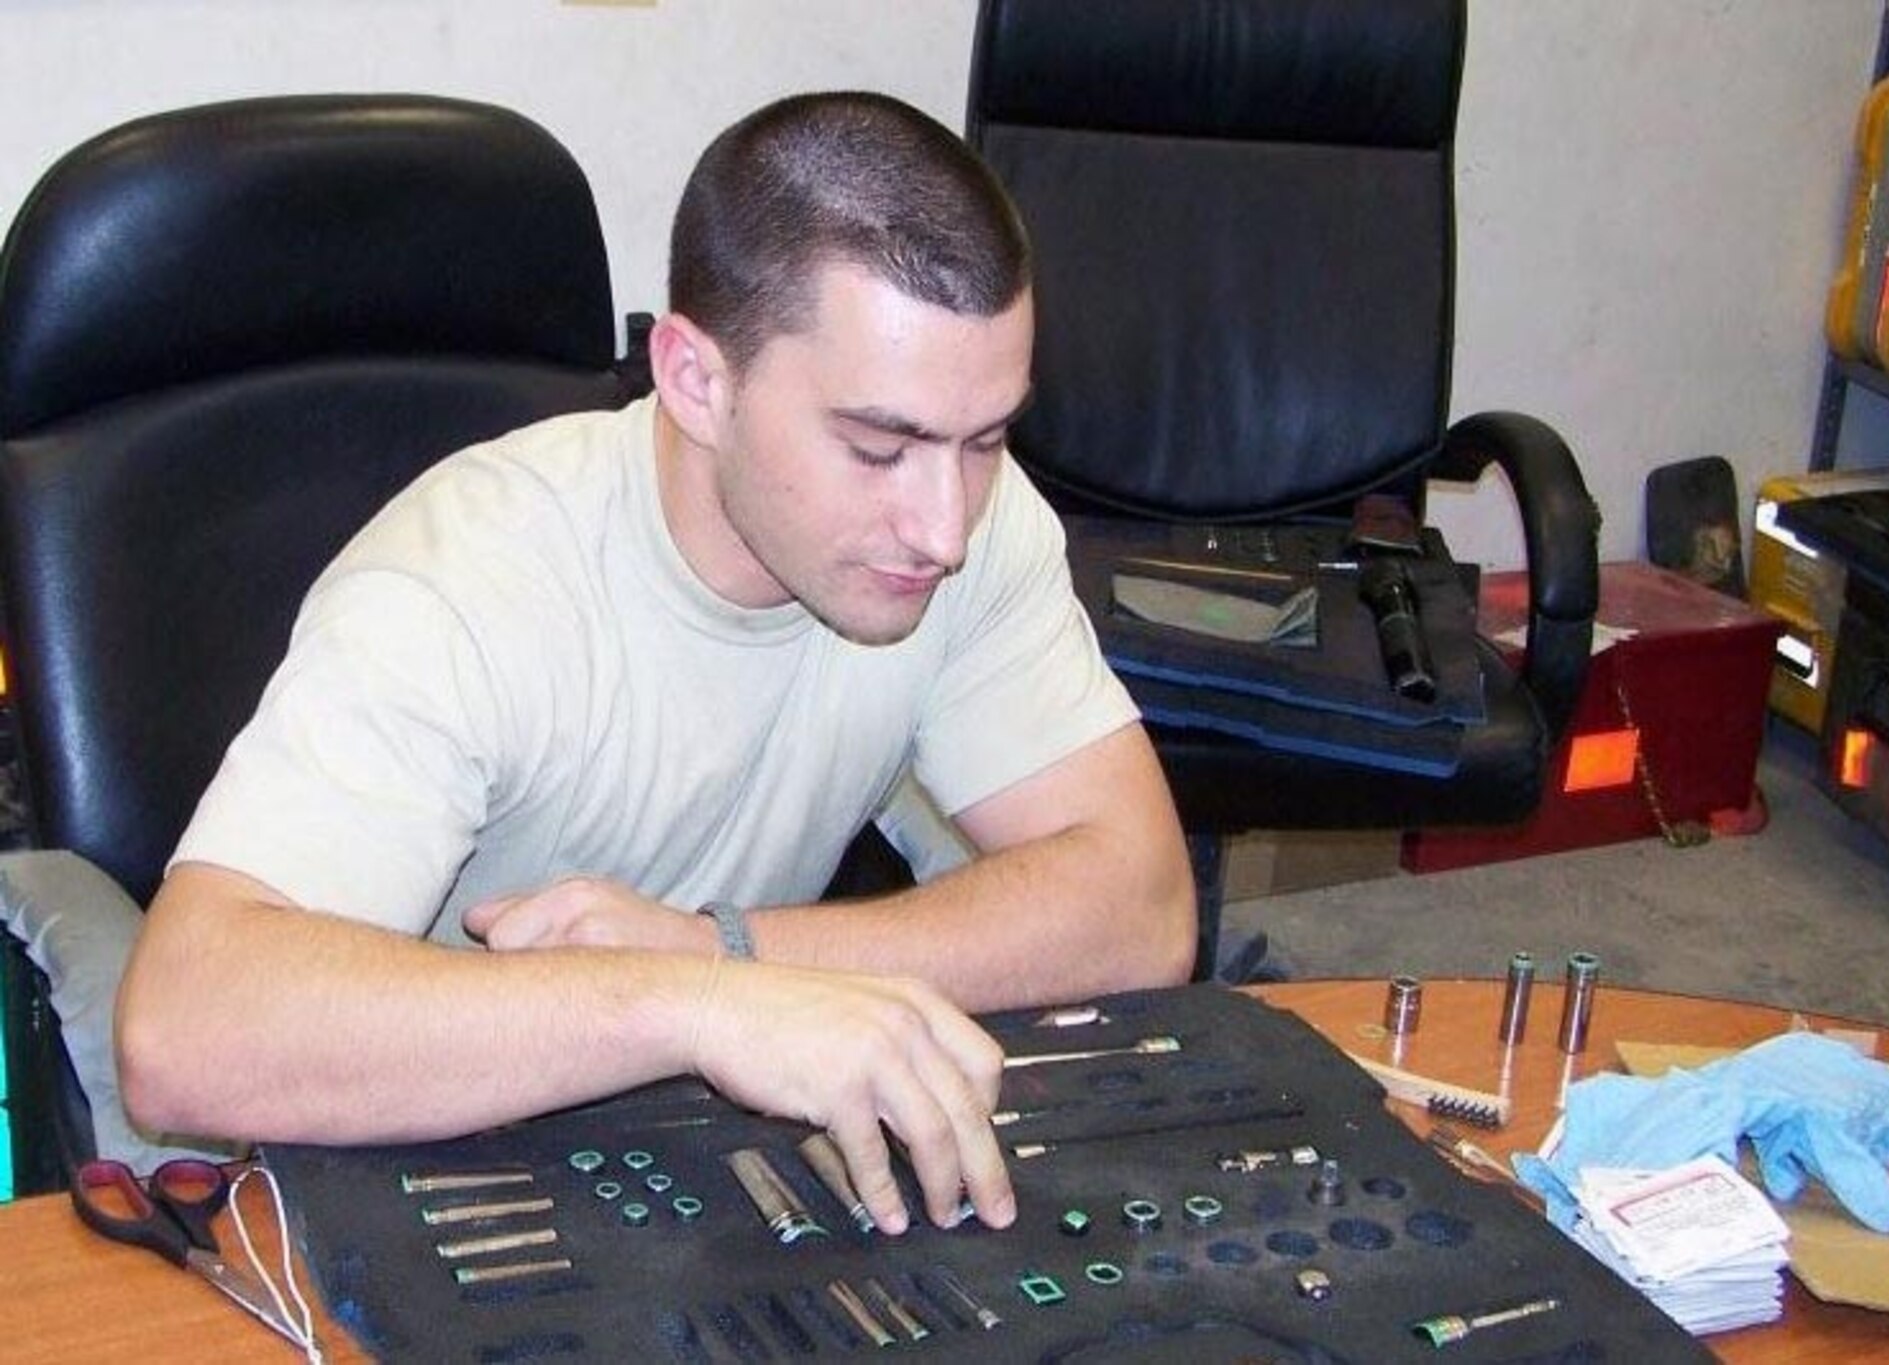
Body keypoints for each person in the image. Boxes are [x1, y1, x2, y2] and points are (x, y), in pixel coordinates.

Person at [114, 91, 1194, 1237]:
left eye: (985, 439)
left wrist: (728, 955)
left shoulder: (971, 529)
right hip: (405, 1184)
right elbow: (182, 1033)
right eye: (878, 448)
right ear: (693, 381)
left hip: (691, 1173)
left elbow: (1142, 907)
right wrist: (695, 1005)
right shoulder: (467, 584)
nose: (943, 526)